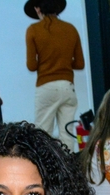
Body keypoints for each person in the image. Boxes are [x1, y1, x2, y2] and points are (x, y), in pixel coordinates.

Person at [25, 0, 85, 152]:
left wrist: (47, 62)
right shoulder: (71, 29)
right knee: (67, 133)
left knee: (42, 134)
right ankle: (68, 164)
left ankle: (45, 165)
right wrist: (63, 62)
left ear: (38, 9)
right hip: (68, 87)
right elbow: (80, 64)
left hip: (46, 87)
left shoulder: (33, 30)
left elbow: (31, 66)